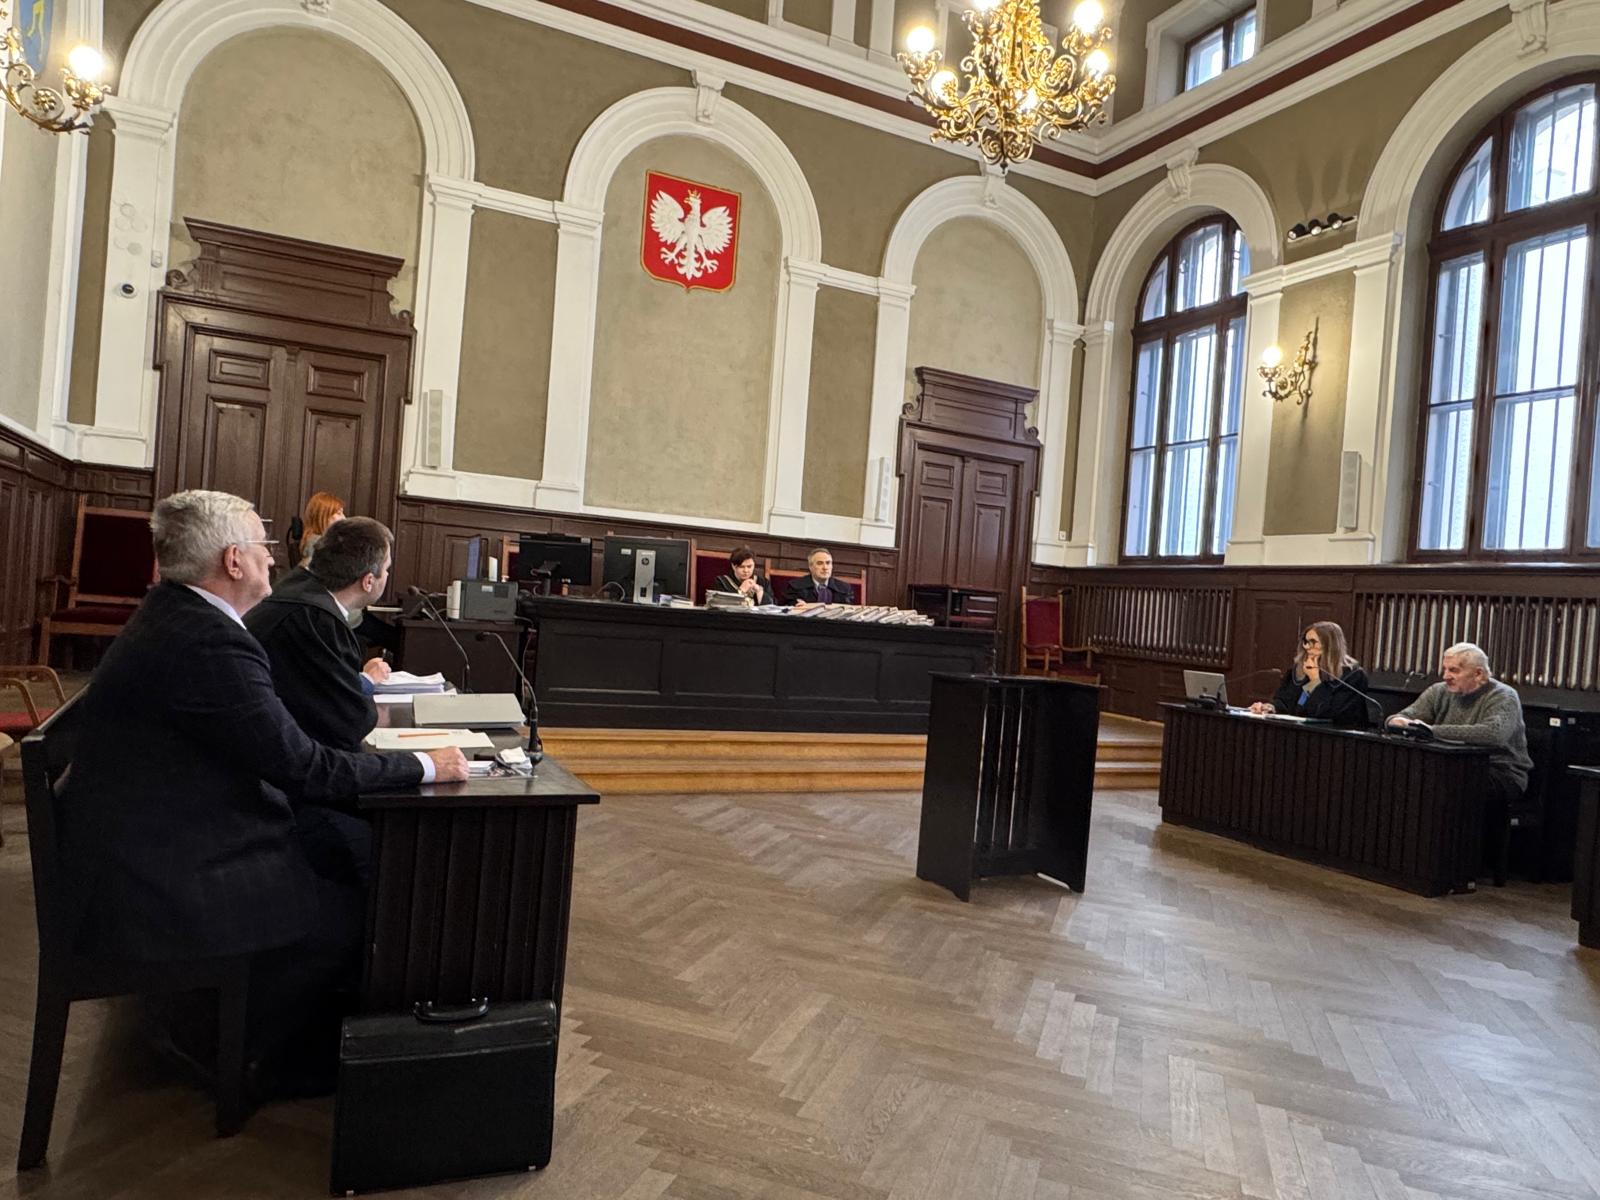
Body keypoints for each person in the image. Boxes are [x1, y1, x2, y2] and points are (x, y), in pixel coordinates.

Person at [57, 490, 468, 1096]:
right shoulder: (208, 641)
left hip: (149, 840)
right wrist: (424, 766)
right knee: (377, 906)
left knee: (348, 853)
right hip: (167, 876)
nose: (274, 558)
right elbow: (304, 767)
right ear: (233, 561)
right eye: (263, 545)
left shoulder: (176, 617)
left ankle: (245, 1030)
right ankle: (256, 1056)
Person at [245, 517, 396, 754]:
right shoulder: (316, 618)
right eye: (386, 569)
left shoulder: (299, 589)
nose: (386, 575)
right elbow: (351, 722)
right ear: (368, 581)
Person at [1386, 642, 1531, 808]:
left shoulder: (1503, 696)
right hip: (1449, 764)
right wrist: (1395, 721)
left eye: (1454, 670)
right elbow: (1404, 716)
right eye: (1445, 669)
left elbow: (1493, 734)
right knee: (1403, 775)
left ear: (1478, 674)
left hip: (1498, 771)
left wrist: (1431, 731)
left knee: (1441, 784)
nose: (1445, 676)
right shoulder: (1439, 691)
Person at [1248, 621, 1372, 726]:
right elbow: (1284, 701)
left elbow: (1331, 715)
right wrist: (1270, 707)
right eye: (1306, 641)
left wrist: (1315, 681)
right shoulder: (1300, 669)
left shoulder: (1353, 676)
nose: (1307, 647)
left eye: (1313, 642)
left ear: (1330, 645)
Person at [785, 548, 852, 607]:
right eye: (820, 563)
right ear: (810, 567)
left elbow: (848, 611)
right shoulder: (795, 587)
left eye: (828, 563)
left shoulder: (845, 589)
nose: (825, 567)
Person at [294, 490, 345, 567]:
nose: (344, 518)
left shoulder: (319, 542)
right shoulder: (316, 544)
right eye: (339, 513)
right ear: (323, 516)